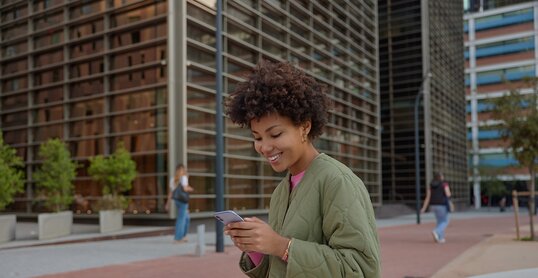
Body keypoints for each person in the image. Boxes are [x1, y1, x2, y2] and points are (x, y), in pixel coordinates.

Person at [224, 60, 381, 277]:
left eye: (276, 134)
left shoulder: (337, 181)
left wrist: (281, 246)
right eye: (257, 137)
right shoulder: (281, 191)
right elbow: (281, 269)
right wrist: (256, 247)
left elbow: (361, 269)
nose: (265, 147)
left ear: (304, 127)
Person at [165, 163, 194, 242]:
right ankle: (178, 238)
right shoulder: (184, 178)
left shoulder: (172, 179)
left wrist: (168, 204)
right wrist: (190, 189)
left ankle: (183, 235)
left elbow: (171, 193)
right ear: (182, 170)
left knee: (186, 218)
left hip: (177, 200)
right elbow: (185, 189)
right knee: (181, 219)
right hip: (183, 201)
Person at [421, 172, 451, 244]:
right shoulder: (444, 184)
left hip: (433, 205)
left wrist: (424, 208)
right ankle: (436, 231)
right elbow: (448, 194)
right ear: (441, 177)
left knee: (439, 221)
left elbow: (428, 197)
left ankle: (440, 238)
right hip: (442, 205)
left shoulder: (431, 185)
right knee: (445, 221)